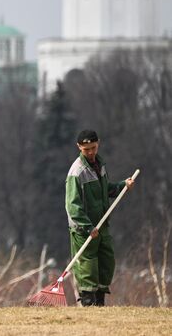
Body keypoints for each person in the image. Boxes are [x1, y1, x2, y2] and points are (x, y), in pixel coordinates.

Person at [65, 130, 134, 306]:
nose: (91, 152)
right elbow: (72, 206)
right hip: (84, 230)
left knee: (106, 262)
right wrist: (88, 227)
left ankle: (100, 303)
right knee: (87, 267)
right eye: (86, 149)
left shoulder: (100, 164)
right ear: (79, 147)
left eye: (93, 148)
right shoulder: (76, 172)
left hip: (101, 225)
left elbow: (106, 189)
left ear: (98, 144)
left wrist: (122, 186)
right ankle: (88, 303)